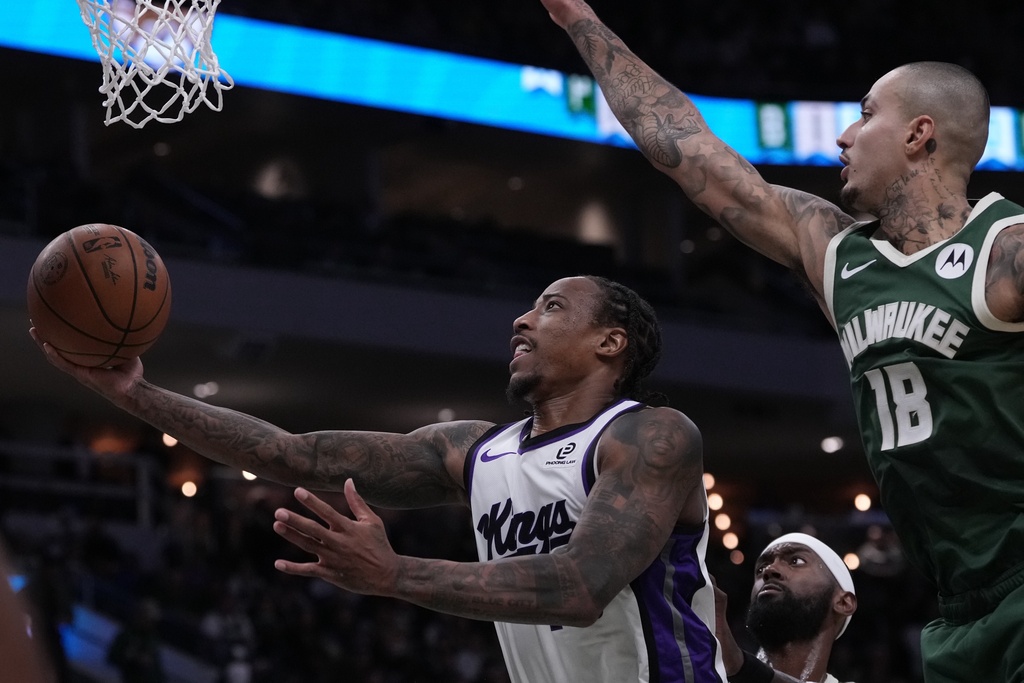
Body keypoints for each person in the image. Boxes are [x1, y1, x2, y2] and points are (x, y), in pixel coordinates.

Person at [534, 2, 1024, 680]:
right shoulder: (839, 257)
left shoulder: (1007, 249)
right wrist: (578, 19)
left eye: (864, 114)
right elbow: (686, 147)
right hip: (957, 610)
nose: (843, 137)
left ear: (919, 133)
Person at [32, 275, 728, 683]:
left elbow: (579, 586)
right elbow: (294, 454)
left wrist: (394, 573)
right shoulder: (474, 451)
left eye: (550, 307)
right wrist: (134, 394)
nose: (520, 318)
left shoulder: (652, 434)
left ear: (611, 343)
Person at [713, 533, 857, 683]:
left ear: (843, 603)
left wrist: (742, 666)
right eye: (760, 569)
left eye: (796, 561)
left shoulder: (737, 667)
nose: (769, 570)